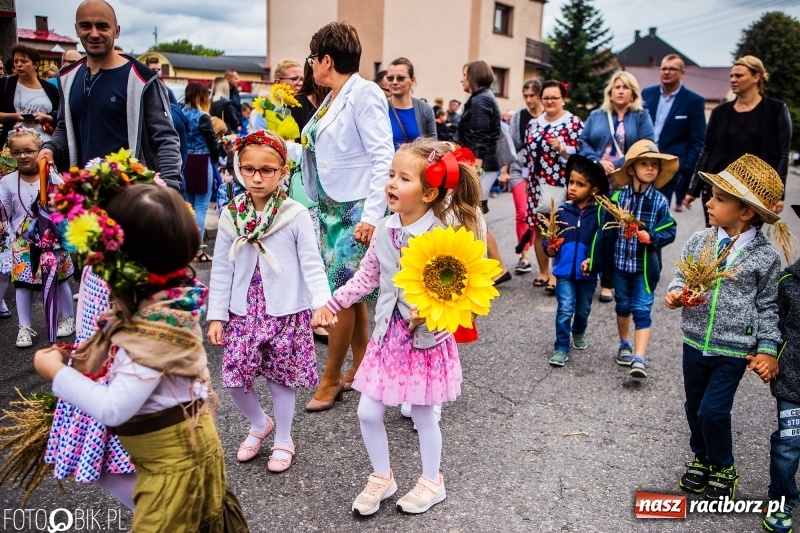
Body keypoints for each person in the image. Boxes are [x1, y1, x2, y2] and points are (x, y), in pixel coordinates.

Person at [33, 183, 249, 532]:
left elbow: (113, 409)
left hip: (175, 468)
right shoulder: (165, 300)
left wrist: (55, 373)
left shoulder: (155, 330)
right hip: (182, 455)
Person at [312, 138, 480, 515]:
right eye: (390, 174)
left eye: (403, 178)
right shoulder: (386, 230)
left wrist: (435, 312)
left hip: (425, 342)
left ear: (429, 191)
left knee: (422, 415)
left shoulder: (443, 237)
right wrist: (331, 303)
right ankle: (381, 476)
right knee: (367, 412)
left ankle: (432, 481)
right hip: (388, 338)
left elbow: (463, 292)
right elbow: (366, 278)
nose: (391, 183)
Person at [208, 130, 331, 473]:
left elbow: (312, 263)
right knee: (234, 378)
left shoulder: (295, 214)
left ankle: (283, 439)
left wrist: (322, 303)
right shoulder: (233, 214)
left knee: (280, 379)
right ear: (239, 169)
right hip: (243, 311)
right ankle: (260, 423)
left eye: (267, 170)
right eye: (249, 169)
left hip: (284, 310)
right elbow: (221, 267)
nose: (257, 177)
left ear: (282, 171)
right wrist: (217, 316)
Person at [665, 154, 782, 502]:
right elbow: (682, 275)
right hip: (695, 340)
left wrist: (767, 348)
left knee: (712, 410)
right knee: (693, 407)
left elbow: (769, 306)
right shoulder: (700, 241)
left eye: (719, 198)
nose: (709, 202)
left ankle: (723, 464)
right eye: (711, 194)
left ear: (746, 212)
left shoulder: (765, 257)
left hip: (733, 348)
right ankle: (701, 458)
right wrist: (675, 293)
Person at [300, 22, 394, 411]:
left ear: (326, 59)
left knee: (339, 294)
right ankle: (362, 363)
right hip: (332, 209)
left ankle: (332, 377)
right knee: (352, 295)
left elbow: (382, 156)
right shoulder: (333, 96)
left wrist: (371, 216)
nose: (311, 65)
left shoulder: (364, 93)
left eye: (313, 57)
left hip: (355, 210)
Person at [38, 0, 182, 189]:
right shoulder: (68, 77)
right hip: (85, 194)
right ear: (76, 29)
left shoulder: (141, 79)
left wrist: (169, 188)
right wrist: (50, 147)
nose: (94, 33)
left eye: (102, 26)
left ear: (117, 31)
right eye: (86, 25)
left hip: (131, 196)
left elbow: (166, 139)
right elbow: (65, 126)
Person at [684, 56, 791, 225]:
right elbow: (707, 150)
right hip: (718, 187)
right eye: (731, 76)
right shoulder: (720, 112)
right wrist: (693, 189)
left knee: (746, 243)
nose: (733, 80)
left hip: (754, 192)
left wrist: (778, 196)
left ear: (756, 77)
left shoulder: (776, 110)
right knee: (715, 240)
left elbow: (783, 154)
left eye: (739, 76)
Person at [579, 71, 655, 303]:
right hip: (598, 179)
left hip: (625, 180)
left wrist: (620, 165)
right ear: (610, 91)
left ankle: (608, 282)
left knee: (614, 230)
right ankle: (589, 270)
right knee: (594, 228)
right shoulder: (597, 115)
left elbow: (648, 145)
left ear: (633, 92)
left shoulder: (641, 116)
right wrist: (597, 161)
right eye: (617, 87)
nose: (621, 91)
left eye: (625, 87)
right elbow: (583, 142)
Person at [608, 140, 677, 378]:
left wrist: (653, 235)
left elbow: (670, 229)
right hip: (619, 264)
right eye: (644, 164)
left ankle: (639, 358)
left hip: (644, 268)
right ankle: (625, 344)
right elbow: (604, 230)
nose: (650, 168)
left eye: (654, 165)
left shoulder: (659, 201)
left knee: (642, 308)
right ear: (631, 169)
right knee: (623, 306)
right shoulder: (617, 199)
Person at [0, 127, 74, 347]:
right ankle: (24, 327)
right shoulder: (7, 182)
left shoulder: (54, 179)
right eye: (17, 152)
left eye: (29, 151)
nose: (23, 156)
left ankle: (68, 318)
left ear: (40, 150)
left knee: (60, 280)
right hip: (23, 240)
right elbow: (5, 211)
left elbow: (68, 207)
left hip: (54, 240)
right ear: (11, 154)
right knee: (22, 284)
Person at [544, 155, 608, 367]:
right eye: (571, 182)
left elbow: (602, 242)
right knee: (565, 309)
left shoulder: (599, 214)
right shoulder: (561, 211)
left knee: (583, 309)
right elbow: (550, 240)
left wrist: (594, 259)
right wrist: (550, 249)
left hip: (587, 272)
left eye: (580, 184)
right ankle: (561, 346)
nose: (572, 187)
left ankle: (578, 331)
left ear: (594, 190)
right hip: (563, 272)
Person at [521, 80, 583, 293]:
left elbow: (583, 153)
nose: (549, 101)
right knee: (539, 229)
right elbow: (527, 154)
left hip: (560, 184)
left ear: (563, 99)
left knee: (557, 229)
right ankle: (543, 271)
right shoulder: (534, 123)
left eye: (554, 97)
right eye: (545, 97)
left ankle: (557, 273)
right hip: (536, 184)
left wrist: (563, 148)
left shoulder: (573, 123)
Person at [762, 205, 800, 533]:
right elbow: (775, 323)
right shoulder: (790, 281)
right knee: (789, 444)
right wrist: (770, 354)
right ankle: (781, 498)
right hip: (793, 383)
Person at [457, 60, 509, 284]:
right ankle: (496, 267)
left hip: (480, 166)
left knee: (473, 218)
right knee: (474, 218)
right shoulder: (482, 98)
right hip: (482, 166)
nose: (462, 79)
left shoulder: (480, 101)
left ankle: (496, 268)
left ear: (474, 77)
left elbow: (479, 139)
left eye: (465, 74)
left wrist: (473, 171)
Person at [641, 54, 706, 212]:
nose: (667, 72)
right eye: (663, 68)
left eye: (672, 69)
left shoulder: (693, 101)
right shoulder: (647, 95)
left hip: (669, 167)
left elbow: (697, 140)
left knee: (658, 213)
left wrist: (685, 168)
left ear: (682, 73)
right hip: (642, 162)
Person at [505, 79, 543, 274]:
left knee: (539, 215)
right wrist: (504, 171)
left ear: (540, 95)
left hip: (543, 172)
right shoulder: (519, 116)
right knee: (522, 212)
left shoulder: (548, 116)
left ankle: (543, 258)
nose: (528, 100)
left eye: (532, 96)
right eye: (525, 96)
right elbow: (510, 146)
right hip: (519, 169)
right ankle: (524, 256)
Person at [182, 82, 219, 248]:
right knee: (202, 206)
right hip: (202, 162)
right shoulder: (203, 116)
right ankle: (198, 244)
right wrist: (218, 157)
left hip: (186, 161)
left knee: (189, 204)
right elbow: (211, 140)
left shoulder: (181, 113)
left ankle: (187, 240)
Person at [0, 44, 59, 146]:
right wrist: (14, 116)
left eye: (24, 61)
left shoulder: (50, 88)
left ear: (35, 65)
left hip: (46, 144)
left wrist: (45, 117)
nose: (19, 64)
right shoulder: (5, 84)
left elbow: (61, 114)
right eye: (16, 61)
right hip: (14, 147)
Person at [386, 57, 436, 150]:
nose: (394, 82)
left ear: (412, 80)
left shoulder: (425, 109)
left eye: (400, 78)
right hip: (389, 164)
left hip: (417, 164)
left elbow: (433, 147)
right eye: (390, 78)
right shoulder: (381, 108)